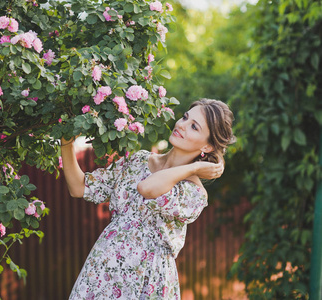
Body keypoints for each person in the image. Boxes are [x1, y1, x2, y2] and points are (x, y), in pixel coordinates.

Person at [60, 98, 236, 299]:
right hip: (104, 269)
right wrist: (66, 141)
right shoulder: (138, 160)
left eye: (194, 127)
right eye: (185, 118)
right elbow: (79, 187)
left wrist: (194, 168)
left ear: (207, 147)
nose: (181, 125)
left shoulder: (193, 193)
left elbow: (148, 187)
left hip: (147, 279)